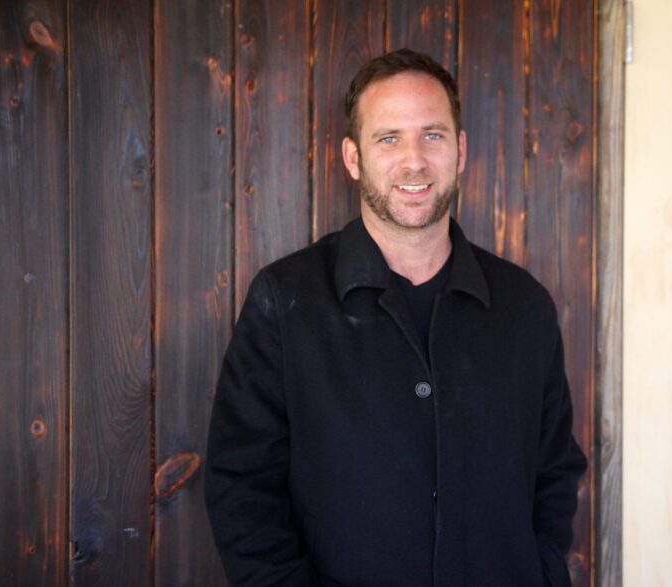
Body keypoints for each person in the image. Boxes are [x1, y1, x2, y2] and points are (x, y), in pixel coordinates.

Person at [204, 48, 588, 586]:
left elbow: (554, 472)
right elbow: (241, 487)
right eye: (389, 138)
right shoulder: (284, 302)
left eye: (433, 135)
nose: (414, 161)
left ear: (460, 152)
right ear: (353, 157)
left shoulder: (525, 307)